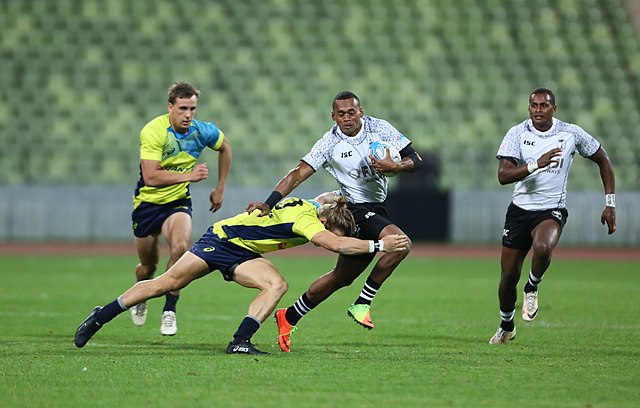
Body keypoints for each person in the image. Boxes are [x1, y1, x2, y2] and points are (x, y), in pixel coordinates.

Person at [74, 192, 410, 354]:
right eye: (335, 231)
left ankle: (239, 342)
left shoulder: (312, 205)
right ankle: (100, 316)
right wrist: (380, 247)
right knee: (167, 283)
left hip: (245, 252)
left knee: (276, 284)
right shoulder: (308, 221)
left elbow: (326, 198)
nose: (334, 238)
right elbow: (337, 246)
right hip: (221, 240)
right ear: (324, 223)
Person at [245, 90, 423, 352]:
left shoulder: (380, 128)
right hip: (357, 208)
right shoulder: (329, 144)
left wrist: (397, 167)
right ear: (334, 116)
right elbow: (297, 174)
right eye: (341, 114)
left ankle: (289, 317)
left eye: (352, 112)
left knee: (340, 277)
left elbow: (415, 159)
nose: (347, 118)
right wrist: (268, 202)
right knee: (401, 243)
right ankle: (363, 302)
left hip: (378, 206)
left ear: (360, 111)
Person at [489, 87, 616, 344]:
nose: (538, 110)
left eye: (543, 105)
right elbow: (503, 176)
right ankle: (506, 326)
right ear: (529, 108)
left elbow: (603, 160)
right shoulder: (517, 133)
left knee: (543, 246)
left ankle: (532, 286)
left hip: (551, 209)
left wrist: (610, 204)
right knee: (507, 279)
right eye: (534, 105)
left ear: (553, 109)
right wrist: (537, 163)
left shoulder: (571, 133)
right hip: (519, 211)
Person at [130, 81, 232, 336]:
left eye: (193, 109)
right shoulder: (154, 131)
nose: (188, 115)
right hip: (148, 203)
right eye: (183, 108)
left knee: (180, 248)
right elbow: (151, 177)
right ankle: (141, 291)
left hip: (177, 203)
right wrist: (189, 175)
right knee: (148, 266)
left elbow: (226, 147)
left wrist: (220, 187)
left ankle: (169, 310)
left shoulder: (202, 131)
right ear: (170, 107)